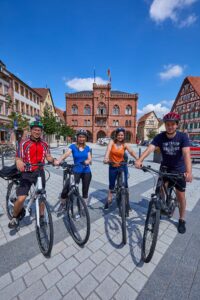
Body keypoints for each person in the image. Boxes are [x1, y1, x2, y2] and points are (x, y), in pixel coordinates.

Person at [135, 112, 192, 234]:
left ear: (176, 125)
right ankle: (160, 208)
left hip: (179, 170)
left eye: (172, 124)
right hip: (165, 168)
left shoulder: (183, 137)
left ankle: (182, 219)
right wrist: (140, 160)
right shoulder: (160, 137)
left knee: (181, 196)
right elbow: (150, 148)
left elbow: (186, 153)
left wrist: (189, 172)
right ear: (165, 125)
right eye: (167, 124)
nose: (170, 126)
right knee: (160, 189)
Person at [8, 120, 56, 229]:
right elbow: (18, 157)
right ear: (31, 130)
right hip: (27, 173)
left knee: (42, 195)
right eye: (35, 130)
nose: (37, 132)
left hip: (40, 172)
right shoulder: (24, 143)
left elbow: (48, 156)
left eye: (39, 130)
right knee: (21, 199)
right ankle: (14, 217)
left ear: (41, 132)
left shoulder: (45, 144)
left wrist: (54, 160)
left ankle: (42, 216)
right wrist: (19, 161)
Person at [56, 129, 92, 211]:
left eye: (83, 137)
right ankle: (63, 203)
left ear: (85, 138)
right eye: (80, 137)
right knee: (66, 188)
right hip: (76, 170)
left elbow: (89, 158)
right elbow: (66, 154)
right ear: (77, 137)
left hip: (86, 171)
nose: (81, 139)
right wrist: (59, 160)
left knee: (85, 190)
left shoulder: (87, 148)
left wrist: (87, 161)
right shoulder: (73, 146)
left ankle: (84, 207)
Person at [103, 127, 138, 209]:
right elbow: (108, 150)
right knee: (111, 184)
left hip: (122, 165)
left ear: (124, 136)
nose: (120, 136)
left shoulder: (125, 144)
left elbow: (131, 152)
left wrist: (138, 159)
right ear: (116, 135)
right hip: (113, 165)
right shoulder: (112, 142)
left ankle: (127, 202)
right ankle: (109, 198)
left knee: (125, 184)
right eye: (119, 135)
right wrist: (106, 158)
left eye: (122, 135)